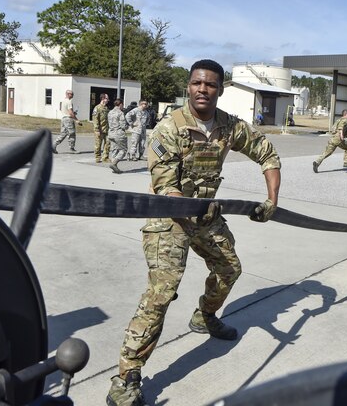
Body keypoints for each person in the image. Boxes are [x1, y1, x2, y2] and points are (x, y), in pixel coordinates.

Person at [106, 59, 281, 406]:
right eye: (197, 83)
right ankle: (126, 378)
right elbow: (165, 187)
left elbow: (268, 155)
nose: (203, 90)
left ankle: (205, 315)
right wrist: (196, 206)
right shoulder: (169, 127)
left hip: (206, 216)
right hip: (170, 219)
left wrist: (271, 200)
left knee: (229, 269)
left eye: (211, 85)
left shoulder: (230, 127)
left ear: (220, 89)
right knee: (161, 294)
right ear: (189, 86)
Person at [108, 99, 129, 174]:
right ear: (120, 104)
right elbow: (123, 126)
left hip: (111, 133)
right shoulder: (120, 113)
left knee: (114, 149)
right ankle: (114, 163)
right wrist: (127, 126)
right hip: (119, 134)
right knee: (123, 150)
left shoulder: (110, 112)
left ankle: (114, 167)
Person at [93, 93, 111, 163]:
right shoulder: (97, 108)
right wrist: (97, 129)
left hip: (106, 129)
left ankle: (105, 157)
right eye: (107, 99)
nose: (108, 100)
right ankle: (98, 157)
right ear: (103, 99)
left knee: (108, 143)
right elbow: (95, 119)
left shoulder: (106, 108)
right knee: (98, 144)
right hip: (99, 130)